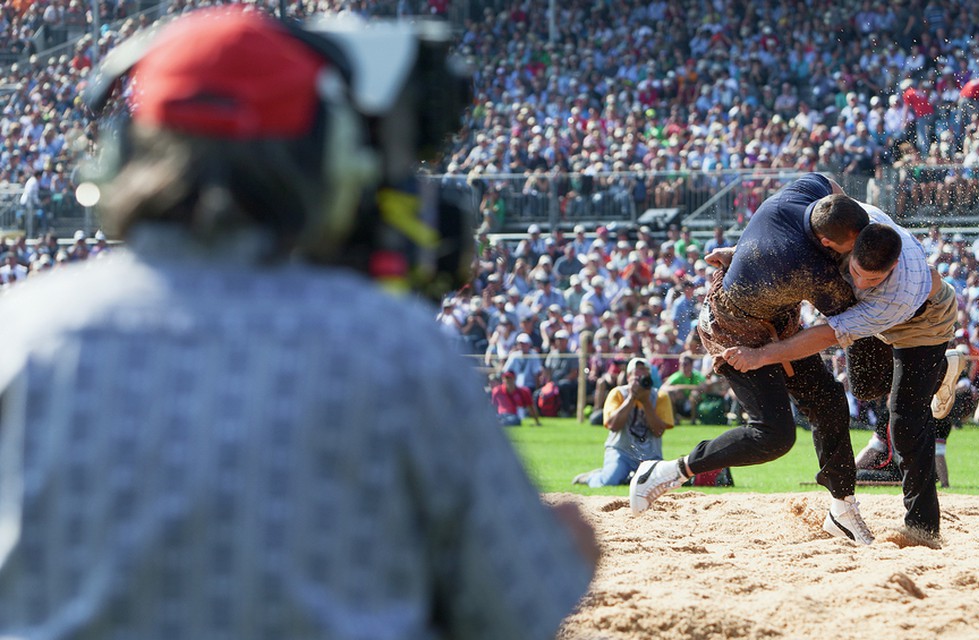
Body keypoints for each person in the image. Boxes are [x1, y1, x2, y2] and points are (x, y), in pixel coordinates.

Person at [0, 9, 595, 638]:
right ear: (331, 164)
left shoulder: (18, 332)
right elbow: (519, 606)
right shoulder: (397, 349)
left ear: (119, 158)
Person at [629, 172, 877, 545]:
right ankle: (668, 471)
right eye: (849, 249)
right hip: (735, 333)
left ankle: (842, 508)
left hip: (777, 319)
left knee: (828, 402)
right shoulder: (805, 266)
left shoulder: (808, 196)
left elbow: (827, 180)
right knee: (774, 435)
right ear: (826, 241)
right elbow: (849, 322)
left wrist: (743, 250)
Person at [723, 206, 961, 540]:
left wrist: (762, 356)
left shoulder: (896, 292)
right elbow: (823, 208)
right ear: (852, 243)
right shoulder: (855, 220)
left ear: (892, 267)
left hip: (923, 323)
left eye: (873, 279)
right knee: (864, 387)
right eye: (856, 271)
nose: (861, 282)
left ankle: (922, 528)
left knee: (905, 420)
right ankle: (940, 372)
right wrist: (742, 255)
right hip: (871, 318)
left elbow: (825, 335)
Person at [574, 358, 674, 487]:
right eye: (637, 376)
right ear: (628, 377)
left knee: (661, 484)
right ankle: (592, 477)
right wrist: (631, 398)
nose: (641, 378)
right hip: (621, 451)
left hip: (650, 454)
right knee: (609, 481)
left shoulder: (660, 396)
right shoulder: (618, 394)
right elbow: (613, 426)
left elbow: (658, 431)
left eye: (645, 374)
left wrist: (646, 402)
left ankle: (623, 475)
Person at [661, 352, 707, 425]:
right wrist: (676, 389)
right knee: (671, 394)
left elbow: (703, 387)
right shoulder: (677, 375)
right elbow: (663, 388)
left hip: (696, 404)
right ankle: (675, 419)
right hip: (681, 403)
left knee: (694, 394)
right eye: (681, 364)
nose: (682, 366)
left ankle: (693, 420)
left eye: (685, 364)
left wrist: (681, 387)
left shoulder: (697, 375)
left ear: (691, 365)